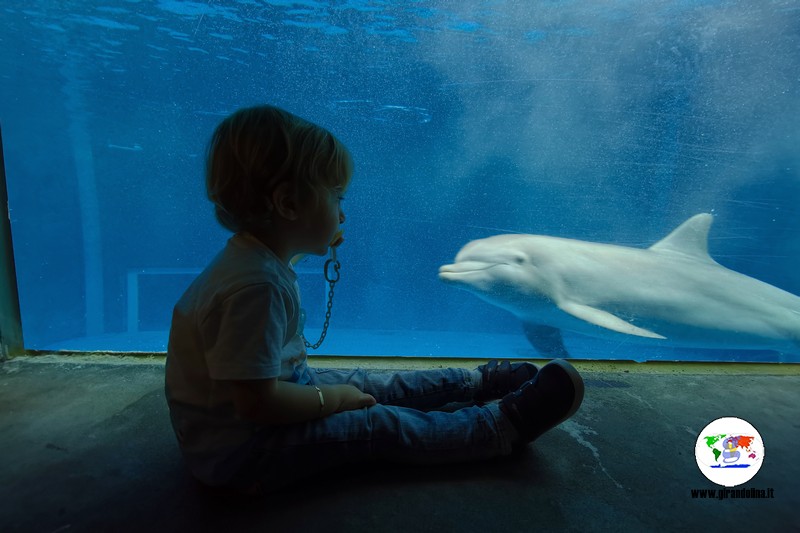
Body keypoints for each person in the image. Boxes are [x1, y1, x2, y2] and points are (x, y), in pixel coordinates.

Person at [164, 104, 585, 494]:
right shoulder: (253, 286)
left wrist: (331, 395)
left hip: (257, 413)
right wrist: (331, 402)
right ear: (289, 203)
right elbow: (256, 403)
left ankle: (474, 383)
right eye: (336, 197)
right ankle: (499, 428)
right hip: (242, 453)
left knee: (364, 383)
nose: (342, 214)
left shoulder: (254, 265)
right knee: (376, 425)